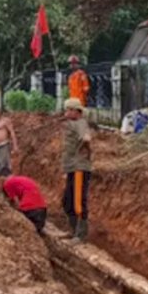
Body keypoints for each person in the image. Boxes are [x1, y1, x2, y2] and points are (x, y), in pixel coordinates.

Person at [61, 97, 92, 242]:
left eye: (67, 109)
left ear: (75, 111)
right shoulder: (73, 123)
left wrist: (86, 145)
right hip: (72, 167)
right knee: (67, 200)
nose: (65, 112)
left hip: (79, 167)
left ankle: (80, 234)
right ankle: (73, 230)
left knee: (78, 201)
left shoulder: (80, 123)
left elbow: (86, 138)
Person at [0, 106, 19, 177]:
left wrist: (15, 146)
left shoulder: (5, 121)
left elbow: (12, 133)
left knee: (4, 167)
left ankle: (7, 183)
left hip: (3, 146)